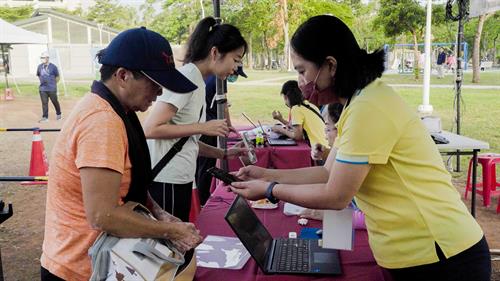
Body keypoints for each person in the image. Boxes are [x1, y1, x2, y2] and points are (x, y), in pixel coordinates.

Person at [230, 15, 490, 281]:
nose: (300, 81)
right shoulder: (358, 103)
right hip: (419, 253)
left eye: (302, 70)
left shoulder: (368, 107)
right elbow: (326, 174)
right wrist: (265, 174)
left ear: (330, 65)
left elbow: (336, 195)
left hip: (441, 255)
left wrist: (270, 190)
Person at [40, 27, 203, 281]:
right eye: (154, 83)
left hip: (102, 260)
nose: (160, 93)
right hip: (79, 269)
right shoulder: (102, 121)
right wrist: (170, 230)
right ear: (123, 76)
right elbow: (103, 215)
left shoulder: (118, 111)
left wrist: (158, 211)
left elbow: (123, 185)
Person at [144, 17, 248, 222]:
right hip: (166, 180)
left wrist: (223, 153)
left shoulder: (198, 80)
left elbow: (186, 141)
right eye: (236, 59)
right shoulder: (188, 78)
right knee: (172, 247)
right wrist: (203, 127)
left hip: (179, 178)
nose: (236, 67)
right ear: (215, 53)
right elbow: (151, 128)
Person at [195, 66, 248, 205]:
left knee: (200, 165)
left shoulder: (211, 77)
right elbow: (223, 105)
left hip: (206, 123)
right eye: (234, 72)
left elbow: (223, 103)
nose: (233, 75)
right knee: (207, 166)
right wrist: (227, 124)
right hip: (210, 125)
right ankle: (202, 199)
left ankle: (199, 197)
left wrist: (228, 124)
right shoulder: (220, 79)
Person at [271, 80, 328, 150]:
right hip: (326, 147)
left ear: (286, 97)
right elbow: (296, 127)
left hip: (318, 150)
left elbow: (297, 136)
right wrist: (280, 119)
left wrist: (279, 129)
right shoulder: (309, 105)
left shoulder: (296, 109)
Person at [36, 51, 62, 122]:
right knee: (44, 103)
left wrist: (53, 83)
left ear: (47, 58)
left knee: (54, 101)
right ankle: (45, 117)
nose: (42, 59)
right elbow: (39, 75)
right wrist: (43, 82)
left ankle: (59, 114)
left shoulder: (53, 67)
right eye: (41, 58)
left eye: (43, 58)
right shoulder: (39, 67)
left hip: (52, 88)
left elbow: (57, 77)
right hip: (43, 89)